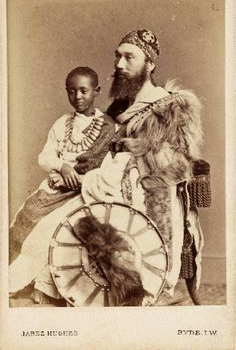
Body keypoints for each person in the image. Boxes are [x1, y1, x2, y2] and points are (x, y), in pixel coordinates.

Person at [9, 30, 204, 307]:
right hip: (104, 179)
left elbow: (171, 164)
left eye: (129, 57)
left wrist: (122, 166)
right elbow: (98, 151)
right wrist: (78, 169)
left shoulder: (169, 107)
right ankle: (47, 284)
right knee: (42, 211)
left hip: (147, 187)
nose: (119, 65)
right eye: (117, 56)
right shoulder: (121, 107)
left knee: (80, 205)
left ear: (150, 64)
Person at [9, 66, 116, 265]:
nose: (77, 96)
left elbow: (108, 166)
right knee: (27, 214)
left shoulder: (108, 126)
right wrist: (63, 167)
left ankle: (46, 282)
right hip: (57, 186)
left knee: (50, 226)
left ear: (97, 91)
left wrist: (79, 178)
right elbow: (45, 157)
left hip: (85, 190)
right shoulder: (62, 123)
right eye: (71, 91)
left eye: (84, 91)